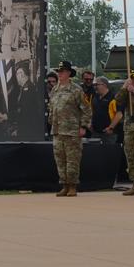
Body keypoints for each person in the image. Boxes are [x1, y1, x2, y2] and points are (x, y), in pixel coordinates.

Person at [48, 61, 90, 196]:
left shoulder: (76, 90)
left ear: (68, 73)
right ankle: (64, 185)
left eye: (62, 71)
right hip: (57, 130)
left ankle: (72, 186)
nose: (60, 74)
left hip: (72, 131)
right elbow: (51, 109)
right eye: (58, 71)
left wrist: (83, 126)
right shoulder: (55, 90)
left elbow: (86, 109)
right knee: (60, 159)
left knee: (72, 160)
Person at [10, 61, 42, 139]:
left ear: (21, 74)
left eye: (17, 74)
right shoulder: (25, 88)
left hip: (28, 131)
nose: (16, 77)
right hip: (27, 129)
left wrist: (19, 131)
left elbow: (25, 113)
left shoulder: (29, 89)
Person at [90, 76, 118, 145]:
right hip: (95, 132)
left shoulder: (113, 97)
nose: (95, 87)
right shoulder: (94, 97)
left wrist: (111, 127)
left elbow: (118, 114)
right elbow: (90, 111)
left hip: (109, 133)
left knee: (108, 154)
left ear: (104, 85)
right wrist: (89, 124)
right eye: (94, 85)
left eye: (97, 85)